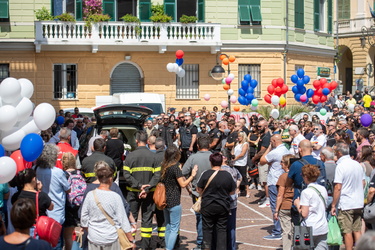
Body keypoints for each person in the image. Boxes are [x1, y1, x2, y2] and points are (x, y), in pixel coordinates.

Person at [80, 162, 135, 250]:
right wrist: (131, 239)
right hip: (111, 237)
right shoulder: (115, 197)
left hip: (94, 237)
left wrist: (89, 229)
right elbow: (122, 219)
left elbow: (83, 217)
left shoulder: (90, 195)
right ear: (110, 179)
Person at [123, 130, 160, 249]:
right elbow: (157, 176)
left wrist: (138, 186)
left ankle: (130, 243)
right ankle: (145, 245)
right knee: (147, 219)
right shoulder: (154, 157)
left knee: (132, 218)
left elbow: (126, 175)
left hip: (133, 193)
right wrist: (147, 188)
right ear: (148, 141)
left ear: (137, 141)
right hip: (149, 193)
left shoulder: (130, 156)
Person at [161, 145, 197, 250]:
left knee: (168, 226)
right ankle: (169, 248)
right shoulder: (174, 168)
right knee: (174, 228)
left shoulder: (164, 166)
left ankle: (168, 246)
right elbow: (182, 183)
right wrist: (192, 175)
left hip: (165, 200)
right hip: (174, 200)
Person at [197, 153, 236, 250]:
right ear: (221, 162)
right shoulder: (227, 175)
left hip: (208, 205)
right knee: (222, 230)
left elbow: (199, 189)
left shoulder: (206, 174)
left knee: (207, 229)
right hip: (223, 205)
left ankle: (206, 247)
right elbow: (232, 191)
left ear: (211, 162)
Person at [36, 143, 70, 249]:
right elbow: (68, 189)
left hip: (41, 212)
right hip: (56, 211)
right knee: (56, 242)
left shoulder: (35, 169)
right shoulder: (58, 172)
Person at [331, 142, 364, 250]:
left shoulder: (341, 166)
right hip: (358, 202)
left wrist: (333, 205)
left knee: (347, 231)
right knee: (357, 230)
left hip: (346, 203)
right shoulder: (357, 164)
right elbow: (363, 183)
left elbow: (338, 187)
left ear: (339, 153)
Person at [182, 137, 212, 249]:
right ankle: (210, 241)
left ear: (198, 146)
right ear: (209, 145)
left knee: (200, 218)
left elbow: (183, 173)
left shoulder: (193, 157)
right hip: (213, 192)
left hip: (197, 193)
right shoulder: (214, 156)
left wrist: (189, 188)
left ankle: (200, 243)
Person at [259, 134, 289, 240]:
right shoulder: (286, 150)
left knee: (275, 206)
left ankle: (277, 231)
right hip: (284, 180)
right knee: (282, 205)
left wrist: (269, 148)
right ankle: (282, 228)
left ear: (273, 141)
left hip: (274, 181)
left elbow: (262, 161)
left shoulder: (275, 152)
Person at [295, 164, 328, 249]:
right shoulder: (323, 189)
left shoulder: (306, 192)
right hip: (322, 226)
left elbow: (304, 213)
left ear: (305, 176)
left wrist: (297, 204)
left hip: (308, 226)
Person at [62, 152, 85, 250]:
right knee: (82, 231)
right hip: (80, 206)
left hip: (68, 206)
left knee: (68, 235)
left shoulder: (63, 175)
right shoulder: (80, 173)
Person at [274, 154, 294, 250]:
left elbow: (280, 195)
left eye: (282, 162)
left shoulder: (283, 176)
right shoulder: (298, 175)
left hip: (285, 206)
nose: (280, 164)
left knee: (286, 231)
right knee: (295, 230)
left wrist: (276, 210)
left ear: (286, 164)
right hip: (296, 205)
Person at [232, 132, 250, 197]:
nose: (238, 137)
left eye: (239, 136)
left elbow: (242, 154)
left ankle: (247, 190)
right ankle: (237, 190)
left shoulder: (245, 144)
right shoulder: (237, 144)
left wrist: (235, 158)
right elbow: (233, 151)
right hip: (236, 163)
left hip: (242, 163)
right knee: (236, 177)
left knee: (243, 176)